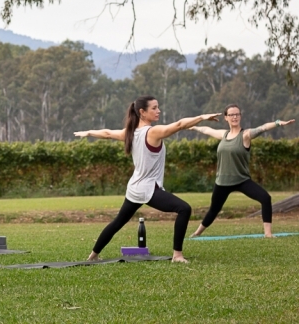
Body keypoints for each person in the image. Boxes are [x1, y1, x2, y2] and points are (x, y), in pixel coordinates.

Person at [74, 95, 220, 263]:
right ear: (142, 112)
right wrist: (202, 117)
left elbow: (107, 133)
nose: (158, 111)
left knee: (118, 222)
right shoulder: (153, 132)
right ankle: (177, 255)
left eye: (158, 107)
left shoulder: (130, 133)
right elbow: (180, 125)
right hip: (148, 189)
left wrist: (89, 132)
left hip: (134, 187)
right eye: (154, 108)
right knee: (184, 209)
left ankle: (93, 256)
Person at [190, 104, 295, 238]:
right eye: (231, 115)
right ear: (226, 118)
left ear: (240, 116)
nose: (235, 117)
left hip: (241, 180)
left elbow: (262, 128)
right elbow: (206, 130)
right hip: (222, 181)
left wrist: (278, 123)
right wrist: (192, 126)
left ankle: (268, 233)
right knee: (214, 209)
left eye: (237, 114)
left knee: (265, 198)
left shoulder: (245, 135)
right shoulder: (224, 134)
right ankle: (197, 233)